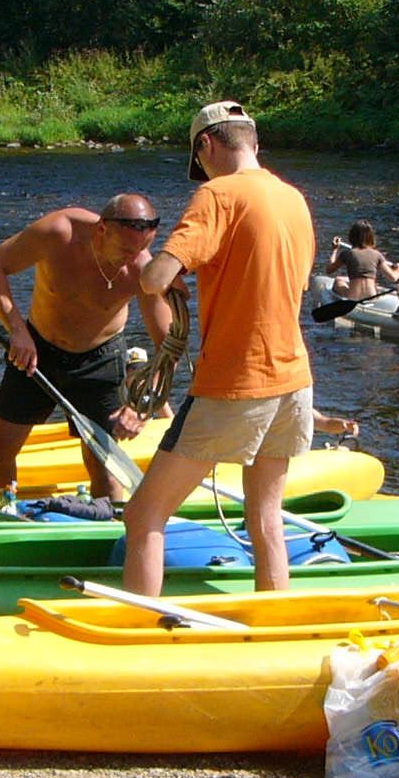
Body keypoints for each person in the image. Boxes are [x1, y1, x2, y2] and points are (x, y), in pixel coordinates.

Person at [123, 101, 316, 596]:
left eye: (199, 159)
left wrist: (164, 273)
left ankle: (136, 635)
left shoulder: (217, 195)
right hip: (294, 381)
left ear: (206, 145)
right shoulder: (293, 198)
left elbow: (155, 278)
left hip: (234, 383)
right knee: (266, 520)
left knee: (144, 515)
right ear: (252, 140)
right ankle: (273, 626)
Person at [0, 193, 172, 497]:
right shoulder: (59, 232)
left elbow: (169, 347)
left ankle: (107, 526)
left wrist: (143, 403)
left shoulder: (144, 271)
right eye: (125, 249)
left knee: (104, 463)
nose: (133, 258)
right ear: (101, 229)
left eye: (143, 248)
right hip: (37, 351)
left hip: (101, 360)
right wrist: (16, 329)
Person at [326, 221, 399, 302]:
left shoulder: (347, 254)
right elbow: (393, 277)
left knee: (338, 281)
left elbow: (329, 270)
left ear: (352, 236)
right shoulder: (377, 255)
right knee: (373, 283)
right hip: (371, 297)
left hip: (353, 297)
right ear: (371, 237)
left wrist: (334, 250)